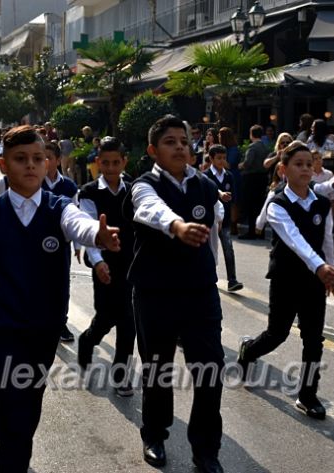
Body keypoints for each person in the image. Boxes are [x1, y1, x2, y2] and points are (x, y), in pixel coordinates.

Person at [0, 125, 120, 473]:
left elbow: (79, 224)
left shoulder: (59, 208)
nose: (32, 166)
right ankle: (12, 461)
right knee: (10, 400)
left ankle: (12, 446)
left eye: (39, 159)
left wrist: (97, 234)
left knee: (28, 403)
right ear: (3, 165)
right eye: (21, 159)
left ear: (48, 162)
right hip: (2, 327)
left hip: (43, 328)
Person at [126, 115, 225, 473]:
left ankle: (206, 451)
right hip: (155, 292)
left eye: (184, 141)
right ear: (154, 150)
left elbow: (215, 228)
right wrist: (177, 226)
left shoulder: (205, 185)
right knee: (158, 369)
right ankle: (154, 434)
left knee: (211, 370)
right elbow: (150, 209)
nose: (180, 147)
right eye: (170, 141)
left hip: (200, 293)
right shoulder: (142, 185)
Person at [237, 141, 334, 420]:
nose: (305, 169)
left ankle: (307, 395)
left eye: (309, 164)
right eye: (298, 164)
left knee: (313, 339)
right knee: (277, 334)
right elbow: (295, 240)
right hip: (286, 278)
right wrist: (320, 266)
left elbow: (326, 238)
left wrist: (329, 269)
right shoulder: (277, 203)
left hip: (315, 281)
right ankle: (249, 351)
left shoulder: (321, 202)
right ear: (283, 170)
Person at [76, 137, 136, 396]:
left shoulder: (134, 189)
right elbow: (89, 228)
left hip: (131, 263)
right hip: (104, 263)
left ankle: (121, 375)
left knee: (129, 321)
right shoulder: (89, 192)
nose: (111, 168)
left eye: (116, 162)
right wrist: (98, 262)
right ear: (98, 163)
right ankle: (87, 340)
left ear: (124, 161)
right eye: (106, 163)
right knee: (106, 316)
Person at [41, 141, 79, 342]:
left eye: (48, 157)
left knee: (61, 284)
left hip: (61, 243)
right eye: (41, 158)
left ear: (57, 160)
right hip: (35, 243)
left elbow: (76, 215)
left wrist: (78, 245)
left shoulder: (69, 186)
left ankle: (61, 322)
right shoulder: (34, 183)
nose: (45, 162)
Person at [205, 144, 243, 292]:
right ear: (211, 158)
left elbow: (233, 199)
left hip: (225, 221)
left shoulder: (229, 176)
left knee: (228, 248)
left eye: (224, 158)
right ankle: (210, 276)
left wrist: (233, 218)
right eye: (219, 158)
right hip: (211, 221)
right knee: (210, 250)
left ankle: (232, 279)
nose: (222, 161)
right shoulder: (206, 176)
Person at [239, 125, 269, 239]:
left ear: (251, 134)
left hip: (251, 178)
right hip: (262, 177)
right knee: (260, 205)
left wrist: (240, 165)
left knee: (251, 205)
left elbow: (248, 163)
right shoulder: (265, 147)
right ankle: (260, 231)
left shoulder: (252, 147)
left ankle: (251, 231)